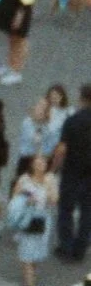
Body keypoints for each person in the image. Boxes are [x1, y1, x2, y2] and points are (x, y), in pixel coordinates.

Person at [9, 153, 58, 286]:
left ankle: (31, 271)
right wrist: (26, 199)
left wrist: (46, 193)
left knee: (36, 253)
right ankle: (30, 285)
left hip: (43, 221)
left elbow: (55, 200)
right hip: (27, 219)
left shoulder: (50, 179)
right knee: (26, 255)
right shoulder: (24, 180)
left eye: (43, 162)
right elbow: (14, 199)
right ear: (32, 165)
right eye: (37, 163)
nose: (40, 165)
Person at [54, 85, 91, 262]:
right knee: (87, 213)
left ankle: (66, 247)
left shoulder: (72, 121)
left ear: (83, 99)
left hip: (71, 172)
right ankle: (81, 248)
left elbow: (61, 149)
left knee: (66, 210)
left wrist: (55, 167)